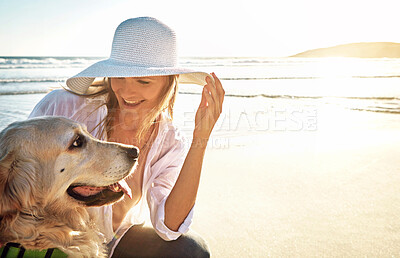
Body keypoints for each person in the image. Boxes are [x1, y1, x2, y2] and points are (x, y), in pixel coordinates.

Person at [29, 17, 224, 257]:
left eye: (143, 81)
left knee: (192, 250)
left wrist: (200, 139)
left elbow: (169, 227)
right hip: (52, 242)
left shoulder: (169, 141)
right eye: (119, 77)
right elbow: (15, 169)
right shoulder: (65, 107)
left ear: (168, 83)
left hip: (112, 245)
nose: (127, 91)